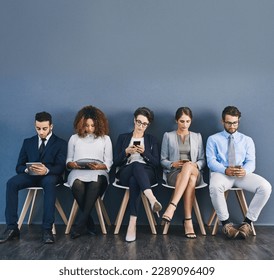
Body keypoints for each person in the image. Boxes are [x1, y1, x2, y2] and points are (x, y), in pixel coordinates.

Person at [0, 112, 67, 244]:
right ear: (35, 126)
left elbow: (60, 167)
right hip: (31, 176)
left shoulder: (61, 143)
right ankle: (12, 228)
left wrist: (46, 170)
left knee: (49, 182)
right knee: (11, 183)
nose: (41, 132)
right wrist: (27, 169)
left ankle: (47, 230)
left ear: (51, 126)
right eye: (38, 128)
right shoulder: (28, 142)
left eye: (44, 128)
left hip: (50, 176)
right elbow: (18, 166)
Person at [206, 106, 272, 239]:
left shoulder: (247, 140)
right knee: (214, 186)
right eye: (229, 123)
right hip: (222, 173)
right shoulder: (213, 139)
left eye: (235, 122)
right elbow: (211, 161)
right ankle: (226, 224)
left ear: (238, 121)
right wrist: (225, 170)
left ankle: (247, 223)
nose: (232, 126)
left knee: (266, 187)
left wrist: (245, 171)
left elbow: (251, 162)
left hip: (241, 174)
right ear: (222, 121)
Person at [112, 107, 162, 242]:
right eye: (139, 122)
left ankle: (132, 225)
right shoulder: (123, 138)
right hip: (125, 172)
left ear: (148, 125)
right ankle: (152, 199)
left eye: (144, 124)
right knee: (135, 165)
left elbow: (156, 163)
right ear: (134, 120)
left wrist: (144, 153)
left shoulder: (152, 139)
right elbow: (115, 162)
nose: (141, 126)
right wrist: (126, 152)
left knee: (135, 179)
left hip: (146, 173)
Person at [66, 105, 113, 239]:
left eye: (93, 125)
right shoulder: (74, 138)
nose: (90, 129)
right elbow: (68, 160)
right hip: (78, 171)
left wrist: (100, 167)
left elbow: (109, 162)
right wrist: (72, 164)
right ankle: (89, 223)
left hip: (98, 172)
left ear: (99, 124)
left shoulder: (105, 139)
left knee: (96, 182)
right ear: (81, 124)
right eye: (86, 125)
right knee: (77, 184)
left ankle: (80, 225)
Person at [161, 107, 206, 238]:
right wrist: (172, 164)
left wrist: (194, 164)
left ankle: (172, 206)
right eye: (182, 121)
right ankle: (188, 221)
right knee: (190, 179)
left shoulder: (197, 137)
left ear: (191, 121)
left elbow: (202, 160)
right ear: (176, 121)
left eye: (187, 121)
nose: (184, 125)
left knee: (188, 168)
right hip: (174, 174)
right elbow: (162, 159)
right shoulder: (168, 136)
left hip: (194, 170)